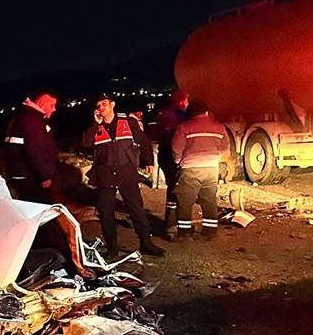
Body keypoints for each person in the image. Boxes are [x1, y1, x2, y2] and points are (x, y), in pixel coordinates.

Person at [81, 93, 165, 258]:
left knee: (137, 210)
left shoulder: (128, 122)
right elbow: (84, 143)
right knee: (106, 213)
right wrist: (95, 124)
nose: (101, 107)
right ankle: (112, 247)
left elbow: (144, 142)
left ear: (112, 105)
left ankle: (146, 243)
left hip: (126, 172)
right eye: (98, 105)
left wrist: (148, 161)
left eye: (104, 104)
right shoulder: (95, 126)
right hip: (104, 174)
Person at [170, 99, 227, 240]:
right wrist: (215, 157)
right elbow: (225, 147)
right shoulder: (219, 127)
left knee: (185, 202)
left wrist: (179, 161)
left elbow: (176, 148)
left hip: (190, 168)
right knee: (209, 201)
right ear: (206, 112)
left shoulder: (184, 127)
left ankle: (184, 233)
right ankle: (210, 232)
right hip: (211, 168)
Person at [3, 90, 59, 203]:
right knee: (43, 206)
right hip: (30, 177)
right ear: (42, 104)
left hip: (19, 174)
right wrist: (44, 177)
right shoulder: (33, 122)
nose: (54, 109)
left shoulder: (21, 118)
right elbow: (36, 151)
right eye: (52, 105)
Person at [152, 89, 190, 232]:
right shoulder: (180, 115)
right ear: (181, 101)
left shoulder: (163, 114)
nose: (187, 103)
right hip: (174, 156)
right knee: (178, 189)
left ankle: (170, 221)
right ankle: (174, 224)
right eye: (186, 100)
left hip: (164, 155)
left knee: (172, 187)